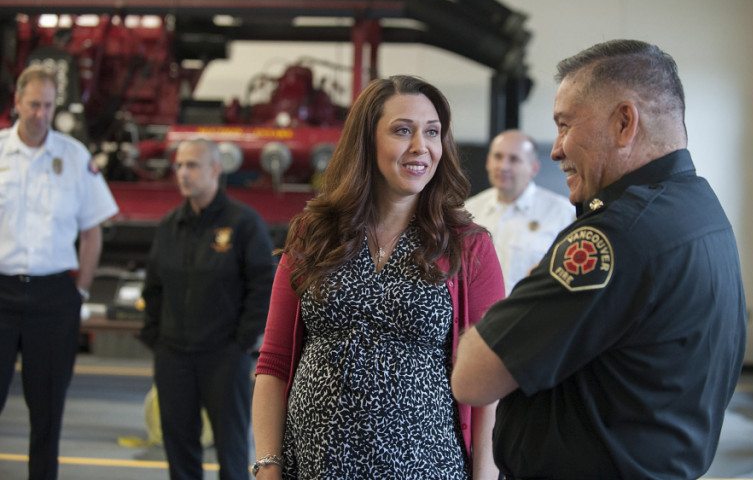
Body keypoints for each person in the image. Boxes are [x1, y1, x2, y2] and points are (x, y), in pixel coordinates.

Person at [451, 39, 747, 479]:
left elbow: (473, 378)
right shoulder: (702, 213)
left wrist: (527, 294)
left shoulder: (613, 236)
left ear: (625, 122)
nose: (556, 149)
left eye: (565, 125)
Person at [251, 75, 504, 479]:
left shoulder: (467, 246)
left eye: (433, 132)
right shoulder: (313, 233)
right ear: (366, 142)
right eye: (403, 130)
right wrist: (267, 465)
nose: (421, 146)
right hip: (315, 464)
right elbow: (274, 362)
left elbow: (490, 384)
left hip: (425, 467)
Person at [0, 64, 118, 480]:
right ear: (16, 103)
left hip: (54, 298)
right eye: (33, 105)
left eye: (48, 106)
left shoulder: (74, 156)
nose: (40, 114)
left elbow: (92, 232)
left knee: (47, 411)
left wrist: (80, 292)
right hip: (2, 292)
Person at [140, 138, 275, 480]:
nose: (183, 173)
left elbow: (262, 284)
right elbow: (153, 286)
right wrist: (156, 336)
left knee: (231, 451)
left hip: (224, 356)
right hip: (174, 356)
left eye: (192, 165)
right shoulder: (170, 225)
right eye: (179, 166)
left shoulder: (244, 223)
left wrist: (242, 341)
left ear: (215, 169)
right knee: (179, 449)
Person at [465, 130, 574, 294]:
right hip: (478, 318)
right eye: (498, 157)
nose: (503, 166)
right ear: (488, 161)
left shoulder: (563, 214)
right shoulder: (467, 211)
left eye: (514, 159)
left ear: (534, 168)